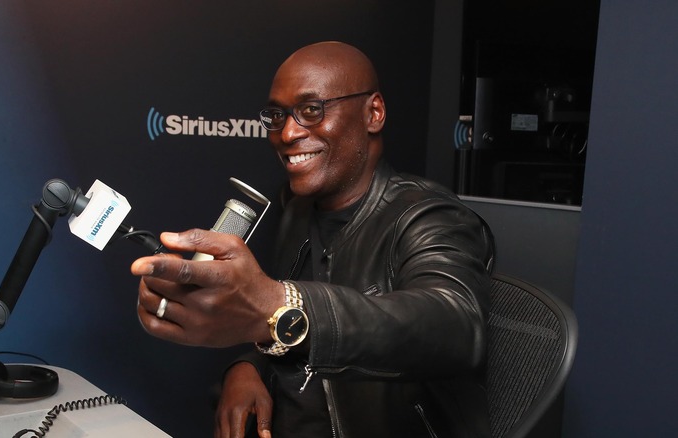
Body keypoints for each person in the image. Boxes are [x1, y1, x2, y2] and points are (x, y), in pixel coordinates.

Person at [131, 41, 496, 438]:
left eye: (311, 110)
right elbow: (289, 335)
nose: (286, 132)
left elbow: (457, 327)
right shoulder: (297, 211)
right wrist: (249, 366)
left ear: (373, 113)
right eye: (277, 115)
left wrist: (279, 304)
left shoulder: (429, 214)